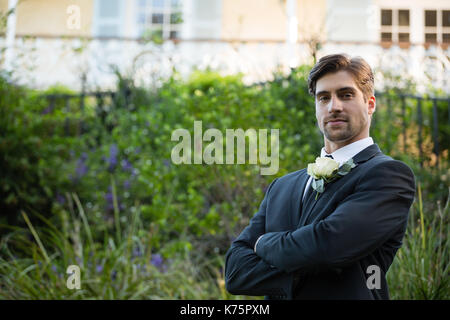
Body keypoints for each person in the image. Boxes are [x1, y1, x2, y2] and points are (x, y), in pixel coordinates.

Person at [224, 53, 416, 300]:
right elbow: (235, 272)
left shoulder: (388, 176)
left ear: (370, 104)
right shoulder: (281, 187)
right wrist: (300, 271)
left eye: (346, 95)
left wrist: (262, 244)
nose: (333, 106)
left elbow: (329, 246)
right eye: (323, 97)